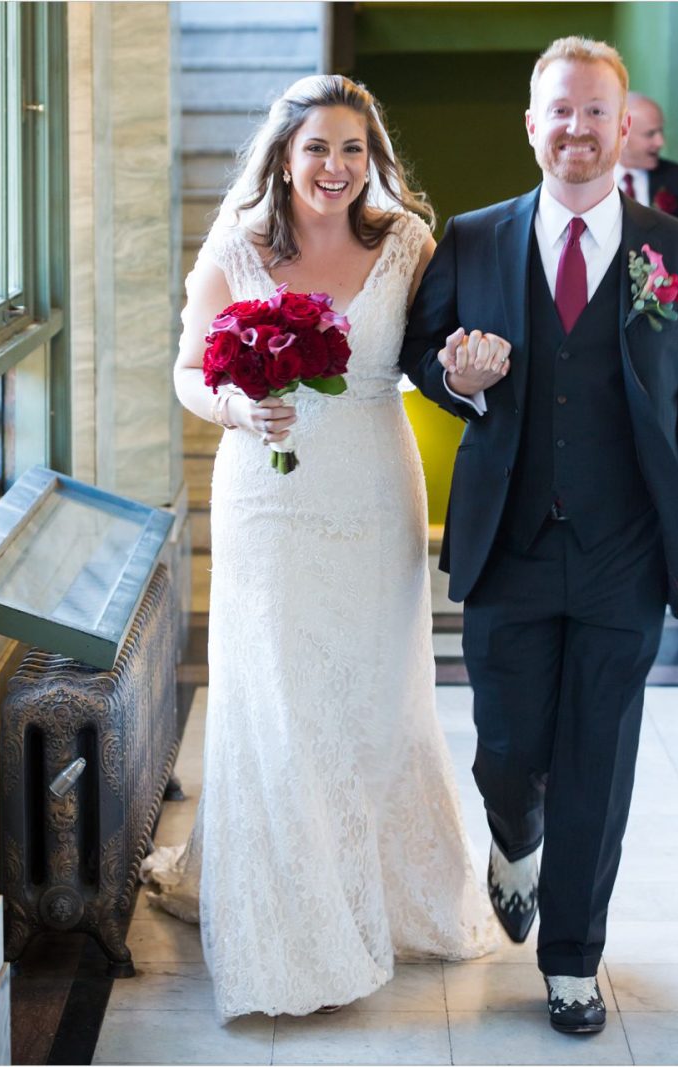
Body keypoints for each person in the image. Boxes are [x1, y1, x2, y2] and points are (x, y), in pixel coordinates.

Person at [399, 37, 678, 1034]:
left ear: (623, 125)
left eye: (597, 113)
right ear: (531, 123)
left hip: (626, 547)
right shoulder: (470, 238)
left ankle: (574, 958)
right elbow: (423, 353)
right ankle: (515, 835)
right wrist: (457, 375)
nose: (578, 130)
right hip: (508, 537)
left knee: (600, 750)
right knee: (505, 747)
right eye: (561, 111)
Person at [149, 74, 498, 1020]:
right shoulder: (238, 246)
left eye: (353, 149)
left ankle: (379, 896)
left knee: (375, 701)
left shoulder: (410, 246)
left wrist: (465, 373)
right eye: (317, 149)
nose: (335, 167)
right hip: (268, 499)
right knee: (280, 704)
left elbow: (430, 361)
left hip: (376, 494)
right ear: (284, 157)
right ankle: (292, 934)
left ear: (372, 157)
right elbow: (187, 368)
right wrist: (231, 403)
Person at [615, 91, 678, 223]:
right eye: (650, 134)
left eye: (660, 131)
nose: (660, 142)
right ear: (621, 134)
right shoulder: (589, 179)